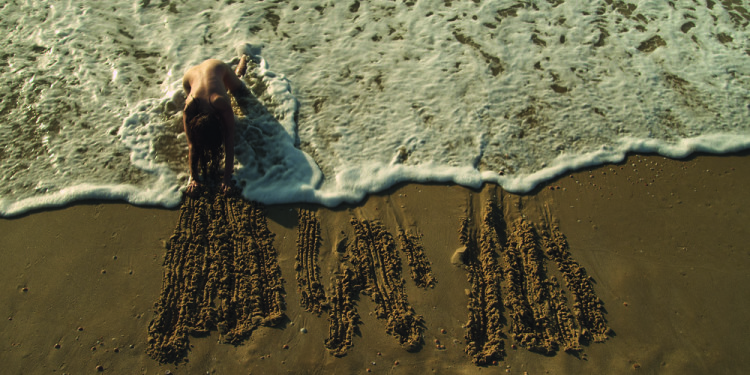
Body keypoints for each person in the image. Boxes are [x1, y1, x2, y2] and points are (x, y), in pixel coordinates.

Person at [182, 56, 249, 196]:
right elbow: (192, 145)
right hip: (189, 79)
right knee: (198, 136)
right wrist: (193, 179)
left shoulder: (221, 103)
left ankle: (244, 57)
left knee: (239, 87)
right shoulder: (190, 107)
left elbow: (229, 141)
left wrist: (226, 179)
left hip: (216, 67)